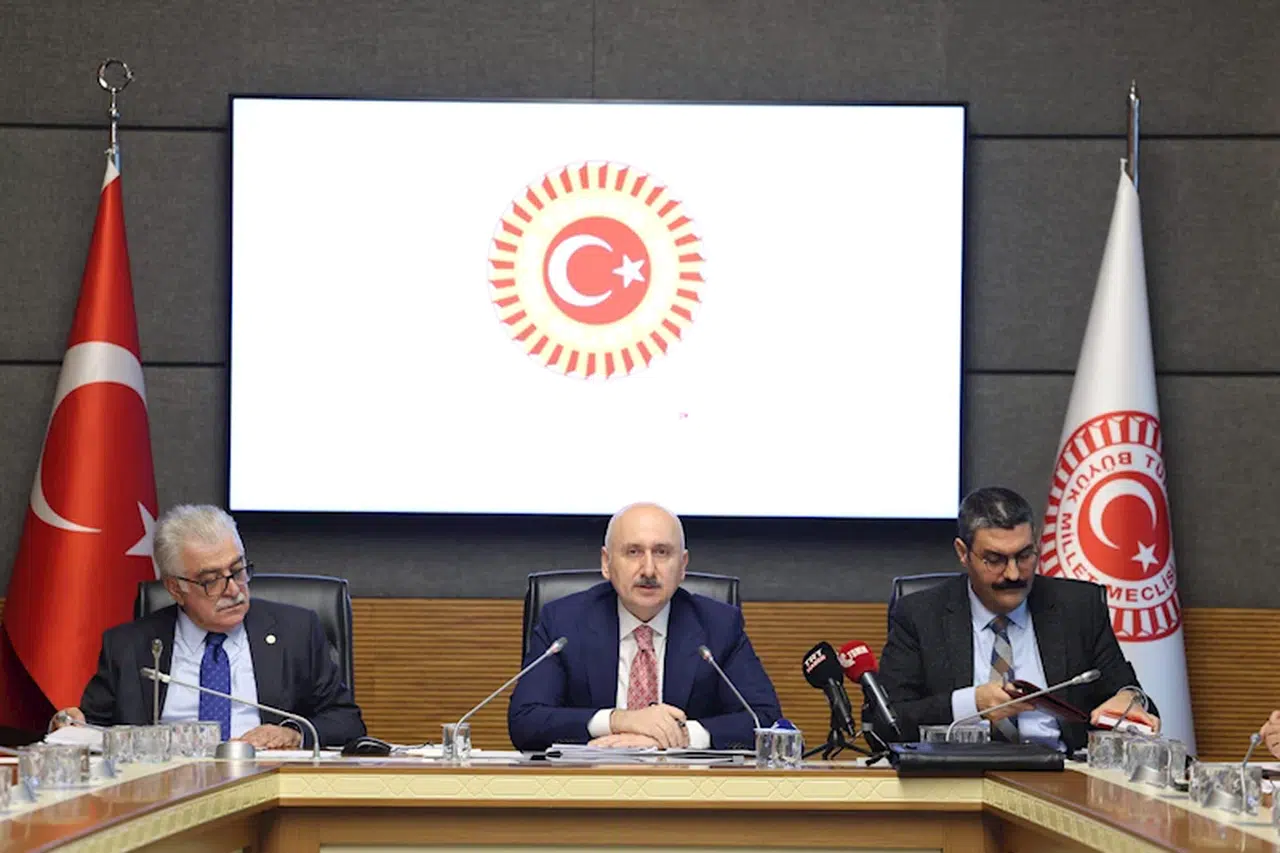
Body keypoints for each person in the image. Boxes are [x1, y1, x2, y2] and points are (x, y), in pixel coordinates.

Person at [52, 504, 365, 749]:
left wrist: (293, 733)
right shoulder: (128, 647)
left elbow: (346, 720)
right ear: (175, 589)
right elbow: (91, 728)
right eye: (211, 581)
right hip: (163, 792)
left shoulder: (296, 632)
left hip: (266, 786)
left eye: (238, 571)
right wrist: (71, 724)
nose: (233, 590)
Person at [876, 486, 1159, 752]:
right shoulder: (920, 614)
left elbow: (1131, 695)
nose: (1013, 574)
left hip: (1060, 773)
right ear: (963, 553)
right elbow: (886, 722)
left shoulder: (1078, 608)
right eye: (995, 559)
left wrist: (1130, 701)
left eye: (1024, 556)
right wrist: (973, 703)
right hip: (959, 774)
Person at [508, 502, 780, 751]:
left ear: (682, 565)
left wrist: (678, 736)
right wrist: (620, 721)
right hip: (589, 782)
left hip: (687, 786)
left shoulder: (718, 626)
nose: (648, 570)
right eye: (633, 552)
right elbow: (526, 721)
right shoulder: (564, 622)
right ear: (606, 563)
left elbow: (766, 721)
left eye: (662, 553)